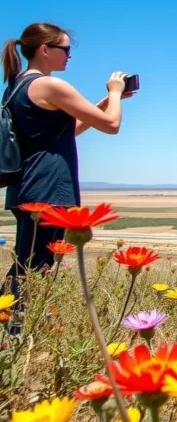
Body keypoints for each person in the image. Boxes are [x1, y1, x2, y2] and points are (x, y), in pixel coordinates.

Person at [2, 23, 132, 308]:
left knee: (28, 263)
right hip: (48, 189)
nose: (69, 56)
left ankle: (13, 328)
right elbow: (112, 125)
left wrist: (103, 103)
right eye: (65, 49)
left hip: (25, 187)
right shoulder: (50, 85)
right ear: (44, 49)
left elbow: (66, 130)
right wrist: (114, 91)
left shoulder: (16, 85)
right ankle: (13, 332)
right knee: (35, 269)